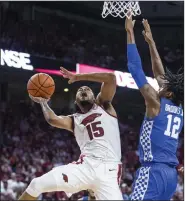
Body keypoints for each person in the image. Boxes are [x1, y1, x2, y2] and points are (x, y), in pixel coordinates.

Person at [19, 68, 123, 200]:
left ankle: (92, 194)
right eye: (80, 90)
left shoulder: (104, 105)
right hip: (86, 167)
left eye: (87, 89)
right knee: (36, 184)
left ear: (94, 96)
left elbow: (111, 78)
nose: (83, 90)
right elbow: (53, 119)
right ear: (76, 101)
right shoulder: (74, 119)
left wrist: (78, 77)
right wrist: (43, 102)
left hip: (109, 172)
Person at [125, 16, 183, 200]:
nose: (160, 84)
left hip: (153, 172)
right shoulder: (180, 109)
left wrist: (129, 32)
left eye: (163, 86)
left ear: (169, 93)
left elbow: (135, 68)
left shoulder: (155, 103)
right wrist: (151, 42)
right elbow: (160, 73)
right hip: (170, 177)